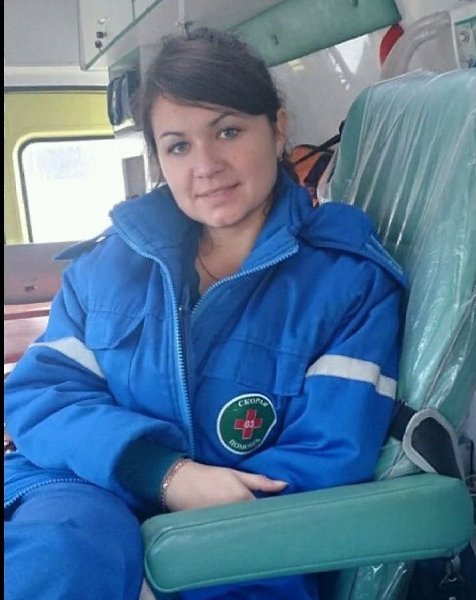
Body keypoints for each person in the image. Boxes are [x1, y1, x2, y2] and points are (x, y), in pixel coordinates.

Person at [4, 27, 407, 600]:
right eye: (178, 146)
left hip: (241, 533)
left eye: (228, 131)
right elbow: (43, 395)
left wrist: (172, 557)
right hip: (88, 490)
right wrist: (164, 475)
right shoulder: (111, 265)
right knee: (61, 558)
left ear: (278, 128)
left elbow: (326, 456)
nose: (206, 165)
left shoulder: (350, 284)